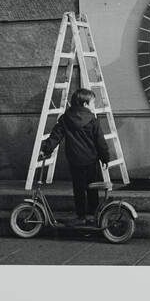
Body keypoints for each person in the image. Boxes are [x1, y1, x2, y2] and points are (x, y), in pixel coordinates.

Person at [40, 88, 110, 223]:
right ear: (85, 105)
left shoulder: (65, 119)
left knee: (78, 188)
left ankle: (81, 215)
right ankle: (93, 211)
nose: (93, 106)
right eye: (93, 103)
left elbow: (56, 136)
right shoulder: (93, 121)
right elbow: (100, 142)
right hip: (91, 160)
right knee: (92, 186)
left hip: (75, 160)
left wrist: (46, 150)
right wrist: (105, 158)